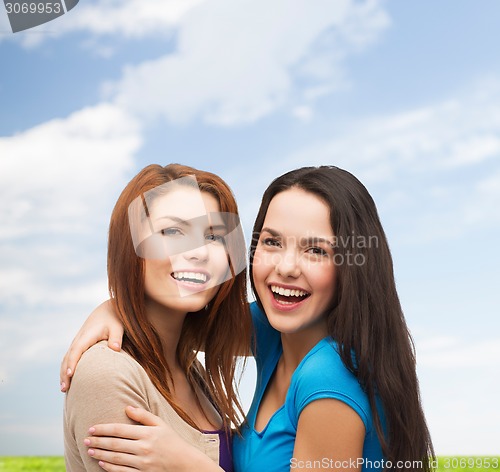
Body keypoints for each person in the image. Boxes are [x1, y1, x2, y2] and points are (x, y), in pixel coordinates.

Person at [61, 166, 435, 471]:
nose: (285, 267)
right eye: (272, 242)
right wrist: (115, 307)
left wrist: (193, 467)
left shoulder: (328, 377)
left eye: (316, 250)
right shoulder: (276, 331)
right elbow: (186, 325)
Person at [63, 163, 252, 472]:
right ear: (130, 247)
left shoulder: (191, 369)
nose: (199, 252)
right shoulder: (108, 373)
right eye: (173, 231)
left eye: (214, 236)